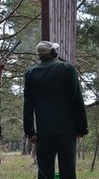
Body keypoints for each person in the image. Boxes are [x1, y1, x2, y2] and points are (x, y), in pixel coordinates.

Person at [23, 41, 89, 179]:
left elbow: (28, 105)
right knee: (68, 170)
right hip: (67, 129)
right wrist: (82, 127)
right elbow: (77, 100)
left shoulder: (30, 74)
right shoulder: (67, 69)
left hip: (44, 130)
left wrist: (30, 132)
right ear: (54, 53)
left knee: (45, 171)